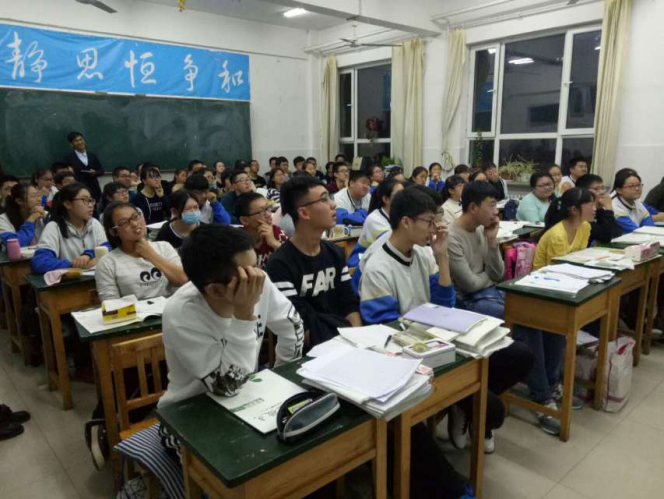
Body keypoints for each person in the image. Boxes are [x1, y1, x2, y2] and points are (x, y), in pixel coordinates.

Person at [157, 224, 304, 458]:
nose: (259, 277)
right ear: (215, 290)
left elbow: (292, 325)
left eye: (256, 266)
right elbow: (226, 387)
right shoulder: (182, 314)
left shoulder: (257, 279)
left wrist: (282, 376)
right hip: (189, 414)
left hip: (248, 397)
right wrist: (244, 315)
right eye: (247, 274)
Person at [448, 182, 558, 435]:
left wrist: (491, 241)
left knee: (544, 314)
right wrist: (487, 277)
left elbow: (497, 274)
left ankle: (550, 383)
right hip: (466, 303)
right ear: (473, 207)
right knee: (525, 321)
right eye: (491, 206)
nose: (496, 211)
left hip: (489, 292)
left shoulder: (481, 230)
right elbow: (469, 284)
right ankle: (543, 397)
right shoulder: (453, 236)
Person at [265, 175, 361, 347]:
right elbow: (300, 328)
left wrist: (357, 339)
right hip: (312, 351)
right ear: (304, 213)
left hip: (347, 340)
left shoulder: (335, 252)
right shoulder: (280, 264)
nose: (333, 205)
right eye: (324, 200)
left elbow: (349, 303)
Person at [96, 202, 186, 302]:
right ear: (113, 232)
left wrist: (151, 255)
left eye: (135, 217)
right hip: (134, 311)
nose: (134, 224)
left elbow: (183, 280)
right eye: (124, 222)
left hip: (170, 308)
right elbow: (111, 304)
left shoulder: (164, 247)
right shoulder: (107, 263)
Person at [31, 183, 110, 273]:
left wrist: (88, 255)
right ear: (68, 204)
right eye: (84, 200)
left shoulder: (94, 223)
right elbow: (40, 262)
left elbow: (107, 247)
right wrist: (74, 264)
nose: (91, 205)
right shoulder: (54, 227)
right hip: (72, 280)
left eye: (91, 200)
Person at [534, 188, 596, 269]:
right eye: (591, 205)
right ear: (574, 210)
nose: (595, 209)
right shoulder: (557, 236)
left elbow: (580, 257)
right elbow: (556, 268)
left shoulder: (585, 226)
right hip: (545, 274)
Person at [236, 192, 289, 269]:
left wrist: (274, 243)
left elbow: (296, 257)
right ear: (244, 220)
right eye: (261, 212)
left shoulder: (275, 231)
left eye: (267, 208)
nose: (268, 214)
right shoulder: (235, 241)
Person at [576, 174, 622, 245]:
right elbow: (605, 236)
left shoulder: (599, 210)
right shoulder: (581, 213)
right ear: (584, 191)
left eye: (603, 188)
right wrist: (609, 208)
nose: (602, 192)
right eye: (596, 189)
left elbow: (618, 231)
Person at [0, 183, 46, 249]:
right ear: (19, 201)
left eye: (38, 195)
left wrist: (46, 219)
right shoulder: (2, 220)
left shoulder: (44, 215)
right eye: (34, 196)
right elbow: (15, 245)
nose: (39, 199)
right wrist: (32, 218)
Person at [64, 131, 104, 203]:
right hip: (79, 190)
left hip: (94, 189)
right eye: (76, 141)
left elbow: (101, 171)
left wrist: (95, 172)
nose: (80, 142)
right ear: (71, 144)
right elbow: (67, 174)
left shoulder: (92, 155)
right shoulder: (69, 158)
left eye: (81, 139)